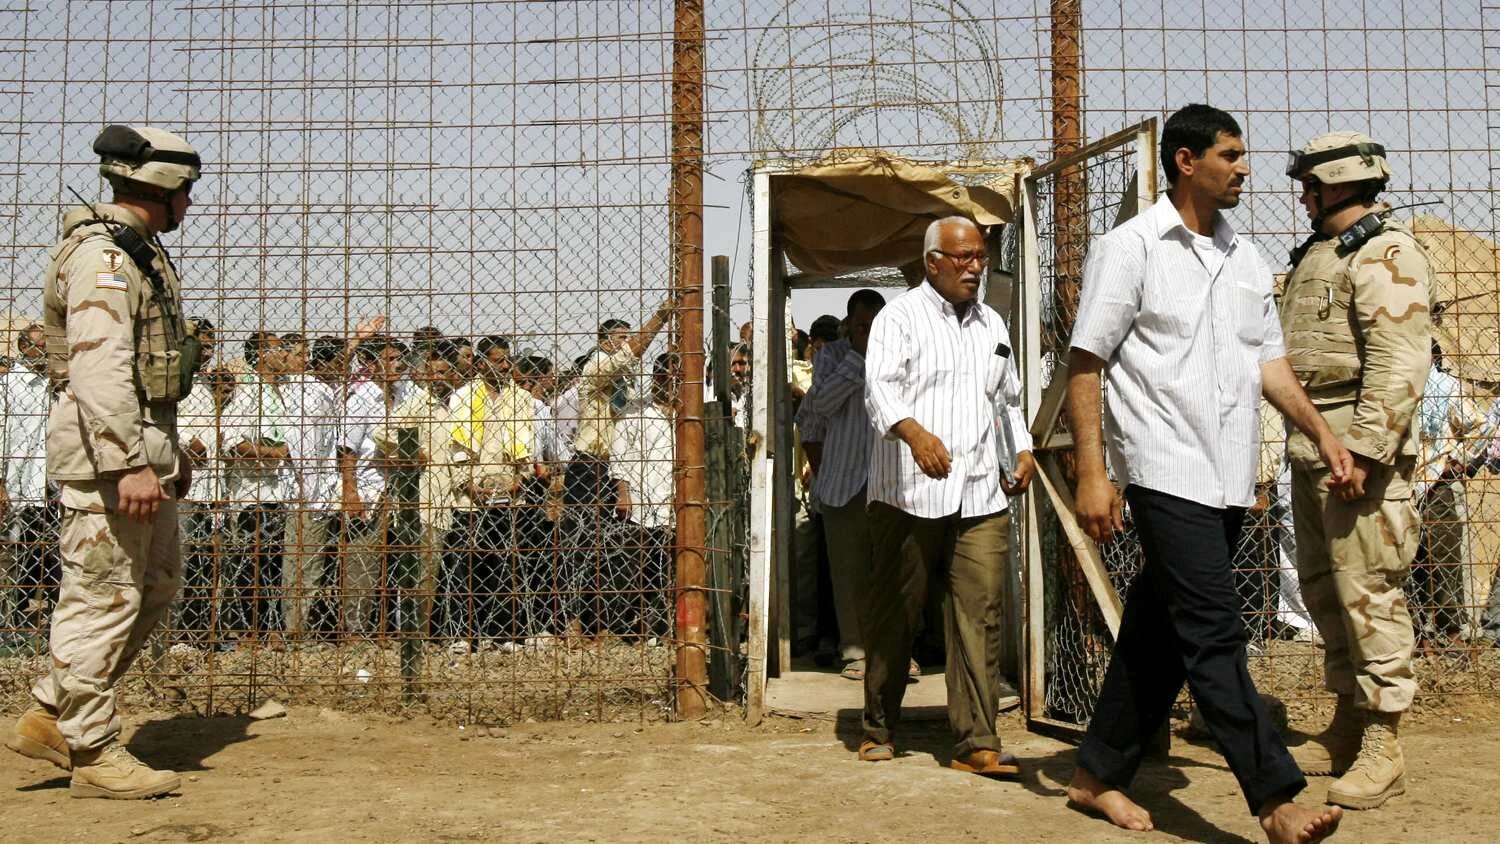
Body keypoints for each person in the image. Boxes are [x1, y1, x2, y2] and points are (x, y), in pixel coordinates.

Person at [1063, 105, 1346, 842]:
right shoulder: (1130, 249)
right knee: (1215, 633)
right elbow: (1086, 363)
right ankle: (1276, 798)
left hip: (1226, 476)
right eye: (1230, 155)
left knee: (1158, 634)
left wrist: (1320, 431)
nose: (1244, 168)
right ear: (1186, 161)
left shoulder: (1246, 259)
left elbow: (1268, 364)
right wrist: (1094, 472)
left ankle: (1095, 775)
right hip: (1163, 469)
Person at [7, 125, 203, 799]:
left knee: (156, 582)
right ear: (165, 188)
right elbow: (100, 368)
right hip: (107, 460)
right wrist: (128, 464)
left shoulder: (136, 253)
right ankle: (91, 750)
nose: (190, 205)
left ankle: (52, 711)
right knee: (103, 597)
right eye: (187, 191)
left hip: (139, 449)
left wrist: (163, 455)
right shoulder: (104, 259)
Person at [1280, 131, 1436, 811]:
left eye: (1310, 185)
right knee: (1326, 590)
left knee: (1369, 592)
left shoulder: (1385, 252)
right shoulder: (1322, 252)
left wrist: (1367, 453)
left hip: (1358, 454)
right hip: (1314, 444)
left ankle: (1383, 744)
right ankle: (1347, 722)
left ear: (1338, 183)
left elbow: (1399, 360)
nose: (1303, 197)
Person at [857, 216, 1035, 779]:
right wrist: (914, 434)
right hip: (908, 494)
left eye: (980, 256)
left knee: (980, 614)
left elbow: (1006, 401)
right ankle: (878, 727)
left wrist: (1021, 448)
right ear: (932, 262)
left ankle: (976, 741)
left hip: (981, 491)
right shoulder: (899, 318)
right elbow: (878, 389)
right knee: (897, 614)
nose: (975, 267)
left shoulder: (992, 324)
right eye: (963, 257)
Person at [801, 291, 885, 679]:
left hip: (888, 480)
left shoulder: (896, 351)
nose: (868, 331)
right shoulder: (831, 356)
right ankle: (855, 650)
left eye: (875, 324)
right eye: (862, 324)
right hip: (843, 479)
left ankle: (892, 650)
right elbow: (822, 404)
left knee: (889, 569)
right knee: (847, 572)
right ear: (848, 324)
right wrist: (860, 356)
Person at [1410, 343, 1495, 644]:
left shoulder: (1445, 388)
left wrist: (1457, 460)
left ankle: (1452, 628)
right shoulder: (1398, 386)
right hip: (1405, 484)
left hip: (1438, 484)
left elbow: (1482, 426)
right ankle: (1418, 631)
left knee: (1443, 557)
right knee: (1410, 559)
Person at [222, 331, 294, 642]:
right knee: (251, 564)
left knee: (274, 564)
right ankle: (247, 631)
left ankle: (270, 629)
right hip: (253, 492)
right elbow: (232, 442)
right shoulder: (249, 394)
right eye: (279, 349)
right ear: (262, 355)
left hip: (279, 492)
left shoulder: (282, 392)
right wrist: (272, 453)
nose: (285, 355)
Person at [608, 353, 677, 639]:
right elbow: (618, 458)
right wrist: (623, 495)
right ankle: (627, 625)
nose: (673, 383)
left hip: (674, 503)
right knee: (634, 568)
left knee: (667, 569)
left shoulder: (689, 413)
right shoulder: (635, 412)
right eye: (668, 377)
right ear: (658, 377)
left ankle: (660, 627)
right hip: (641, 502)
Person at [1, 324, 57, 634]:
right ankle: (10, 619)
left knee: (44, 552)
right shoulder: (9, 385)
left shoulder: (54, 385)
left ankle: (28, 616)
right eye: (41, 345)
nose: (46, 351)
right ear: (24, 348)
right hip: (15, 483)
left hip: (48, 486)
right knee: (14, 553)